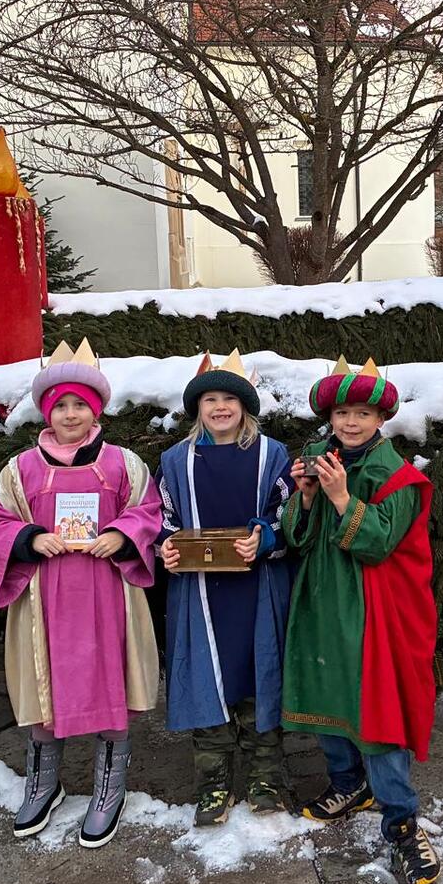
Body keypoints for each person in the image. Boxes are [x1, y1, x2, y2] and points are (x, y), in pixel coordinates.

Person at [0, 340, 162, 849]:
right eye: (60, 406)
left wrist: (122, 534)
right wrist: (28, 538)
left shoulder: (122, 464)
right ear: (45, 411)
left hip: (107, 594)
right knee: (44, 685)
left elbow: (149, 511)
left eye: (80, 404)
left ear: (96, 410)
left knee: (111, 681)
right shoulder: (21, 470)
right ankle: (44, 782)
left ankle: (109, 788)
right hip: (43, 598)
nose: (70, 414)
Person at [282, 356, 442, 884]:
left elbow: (378, 544)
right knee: (327, 690)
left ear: (381, 419)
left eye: (363, 414)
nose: (351, 422)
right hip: (323, 602)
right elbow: (296, 539)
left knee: (378, 708)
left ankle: (402, 822)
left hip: (376, 611)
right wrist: (307, 498)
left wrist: (341, 497)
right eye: (342, 413)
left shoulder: (398, 477)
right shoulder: (319, 460)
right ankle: (350, 783)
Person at [156, 351, 293, 826]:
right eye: (210, 399)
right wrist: (165, 546)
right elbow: (162, 517)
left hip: (258, 588)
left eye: (229, 399)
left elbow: (287, 512)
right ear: (197, 407)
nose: (219, 407)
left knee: (260, 678)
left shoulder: (271, 454)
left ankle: (265, 778)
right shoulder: (176, 460)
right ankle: (213, 783)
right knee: (205, 680)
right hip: (199, 594)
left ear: (245, 406)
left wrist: (265, 537)